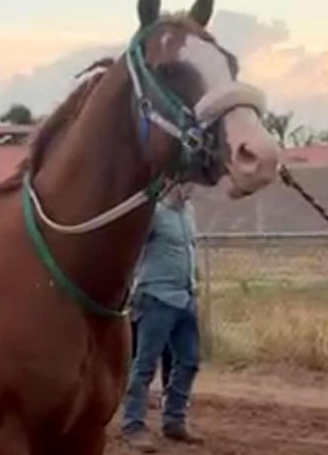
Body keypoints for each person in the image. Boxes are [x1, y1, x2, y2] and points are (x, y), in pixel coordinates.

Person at [121, 183, 203, 452]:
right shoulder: (153, 214)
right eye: (187, 183)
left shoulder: (188, 212)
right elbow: (132, 250)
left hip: (185, 297)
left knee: (189, 360)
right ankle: (133, 425)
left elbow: (190, 250)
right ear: (173, 183)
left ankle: (174, 420)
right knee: (145, 364)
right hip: (156, 298)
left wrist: (195, 284)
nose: (192, 189)